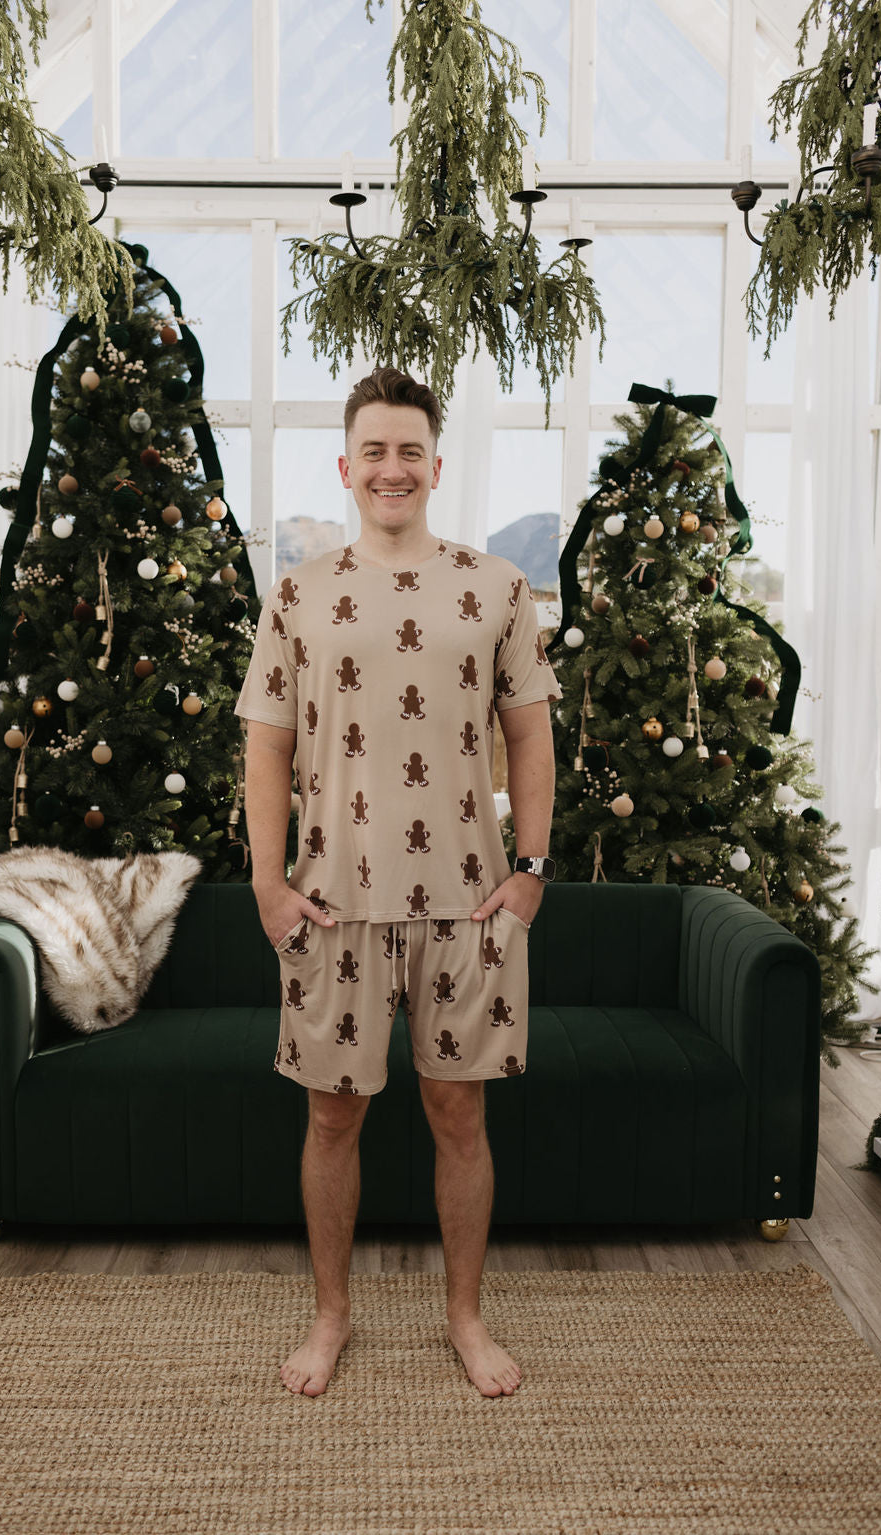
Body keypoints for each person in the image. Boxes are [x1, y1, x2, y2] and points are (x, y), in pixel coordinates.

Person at [234, 366, 561, 1399]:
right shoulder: (298, 591)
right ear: (345, 464)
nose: (391, 466)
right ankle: (331, 1315)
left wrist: (531, 869)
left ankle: (465, 1317)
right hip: (331, 902)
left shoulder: (496, 587)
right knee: (332, 1118)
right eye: (372, 449)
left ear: (433, 463)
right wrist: (267, 884)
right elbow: (266, 747)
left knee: (457, 1115)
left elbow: (532, 735)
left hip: (468, 901)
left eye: (408, 449)